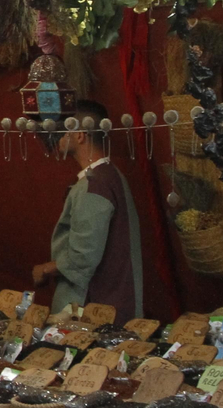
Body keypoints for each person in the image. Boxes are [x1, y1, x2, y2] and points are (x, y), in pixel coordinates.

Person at [31, 100, 143, 315]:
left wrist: (45, 269)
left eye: (63, 131)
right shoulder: (111, 176)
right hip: (116, 299)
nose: (58, 138)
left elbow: (83, 258)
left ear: (80, 135)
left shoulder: (94, 185)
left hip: (96, 307)